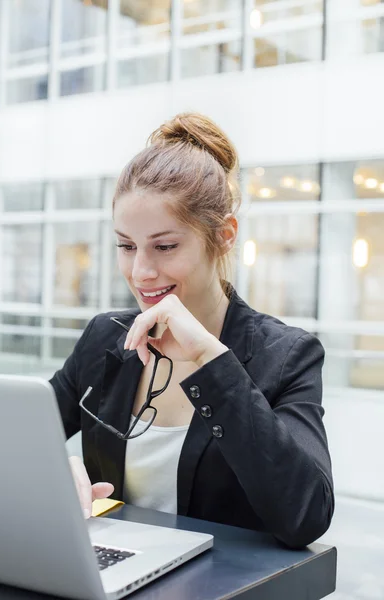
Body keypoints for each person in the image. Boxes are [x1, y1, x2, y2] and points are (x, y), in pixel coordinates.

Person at [50, 112, 334, 549]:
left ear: (224, 236)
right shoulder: (105, 336)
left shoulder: (287, 355)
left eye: (165, 246)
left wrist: (210, 358)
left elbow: (306, 515)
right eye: (126, 246)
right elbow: (15, 437)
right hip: (114, 579)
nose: (141, 271)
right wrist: (50, 465)